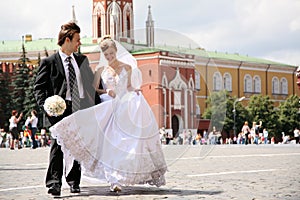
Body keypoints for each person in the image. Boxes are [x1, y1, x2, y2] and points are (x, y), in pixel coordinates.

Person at [49, 36, 167, 193]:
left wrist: (135, 90)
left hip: (125, 106)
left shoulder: (127, 67)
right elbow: (94, 89)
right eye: (106, 55)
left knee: (125, 142)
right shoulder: (100, 70)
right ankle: (113, 179)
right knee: (111, 143)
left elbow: (130, 86)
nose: (109, 57)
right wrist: (107, 91)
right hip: (109, 106)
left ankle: (123, 173)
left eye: (112, 53)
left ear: (116, 51)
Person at [34, 22, 99, 196]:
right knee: (58, 146)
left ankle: (74, 181)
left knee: (77, 145)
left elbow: (90, 86)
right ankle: (54, 182)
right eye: (77, 40)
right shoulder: (49, 62)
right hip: (59, 110)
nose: (79, 43)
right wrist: (46, 106)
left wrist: (100, 106)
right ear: (67, 39)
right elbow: (39, 88)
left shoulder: (81, 60)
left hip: (79, 108)